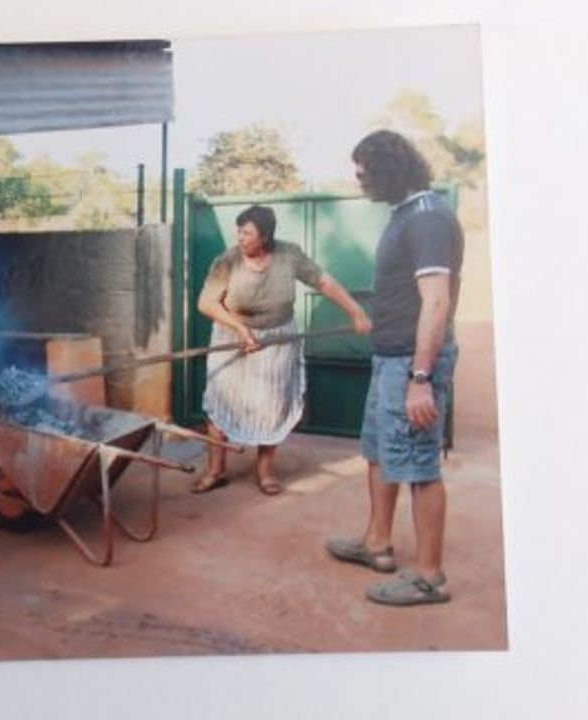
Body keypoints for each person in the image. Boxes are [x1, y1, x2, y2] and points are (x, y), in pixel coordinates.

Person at [325, 130, 464, 606]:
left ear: (391, 170)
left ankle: (428, 577)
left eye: (365, 173)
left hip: (411, 365)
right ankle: (377, 544)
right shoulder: (404, 214)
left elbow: (437, 302)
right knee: (379, 452)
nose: (360, 181)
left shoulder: (427, 219)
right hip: (390, 359)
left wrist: (420, 380)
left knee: (420, 466)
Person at [192, 205, 371, 495]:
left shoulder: (288, 255)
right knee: (219, 402)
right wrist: (240, 329)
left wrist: (355, 310)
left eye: (247, 233)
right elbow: (206, 302)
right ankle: (215, 470)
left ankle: (264, 472)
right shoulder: (228, 261)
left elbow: (323, 281)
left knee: (271, 406)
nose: (240, 237)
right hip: (234, 336)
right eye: (239, 231)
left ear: (265, 236)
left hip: (277, 339)